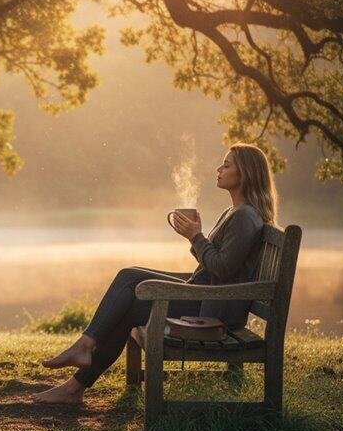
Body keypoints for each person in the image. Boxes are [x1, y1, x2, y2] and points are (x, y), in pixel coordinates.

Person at [32, 143, 279, 404]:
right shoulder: (234, 212)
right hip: (207, 297)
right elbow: (217, 265)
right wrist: (196, 238)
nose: (219, 169)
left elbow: (223, 268)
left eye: (227, 165)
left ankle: (78, 369)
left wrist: (195, 237)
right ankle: (76, 378)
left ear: (247, 174)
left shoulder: (244, 217)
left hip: (214, 311)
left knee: (129, 289)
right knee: (130, 277)